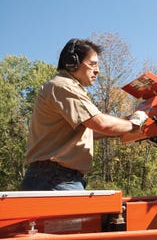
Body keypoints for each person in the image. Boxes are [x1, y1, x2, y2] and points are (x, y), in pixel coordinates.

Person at [20, 38, 148, 191]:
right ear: (72, 63)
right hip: (55, 178)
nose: (97, 70)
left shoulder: (63, 87)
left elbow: (90, 131)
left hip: (54, 177)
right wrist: (134, 123)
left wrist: (123, 125)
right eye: (92, 64)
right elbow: (101, 123)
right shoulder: (63, 86)